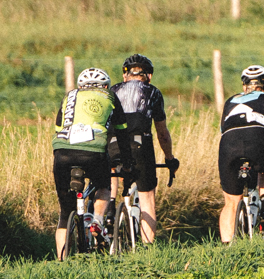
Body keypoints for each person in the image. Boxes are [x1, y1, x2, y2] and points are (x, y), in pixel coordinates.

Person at [217, 62, 264, 241]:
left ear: (244, 86)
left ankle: (227, 247)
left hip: (228, 143)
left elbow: (224, 130)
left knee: (231, 202)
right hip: (259, 139)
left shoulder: (230, 101)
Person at [108, 53, 177, 245]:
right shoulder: (152, 92)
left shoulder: (112, 91)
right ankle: (147, 248)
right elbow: (162, 133)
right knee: (147, 197)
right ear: (149, 76)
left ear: (125, 75)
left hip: (112, 141)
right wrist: (169, 158)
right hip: (139, 144)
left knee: (112, 172)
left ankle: (109, 208)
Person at [51, 66, 116, 261]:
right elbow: (120, 130)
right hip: (94, 152)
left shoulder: (69, 96)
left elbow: (58, 127)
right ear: (105, 86)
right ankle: (96, 220)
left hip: (62, 153)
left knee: (65, 213)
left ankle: (61, 261)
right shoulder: (110, 97)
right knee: (104, 185)